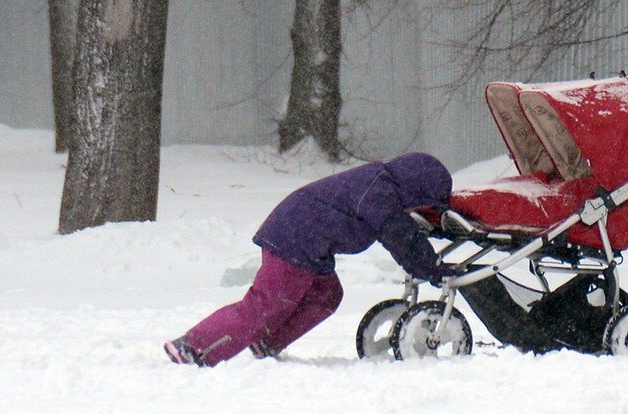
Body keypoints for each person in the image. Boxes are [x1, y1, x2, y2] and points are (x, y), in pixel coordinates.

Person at [164, 152, 454, 366]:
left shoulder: (381, 184)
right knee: (264, 305)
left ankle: (266, 341)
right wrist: (433, 269)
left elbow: (404, 230)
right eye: (424, 203)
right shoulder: (379, 195)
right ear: (416, 189)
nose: (420, 210)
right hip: (294, 238)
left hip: (306, 239)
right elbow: (401, 238)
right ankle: (192, 346)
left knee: (326, 294)